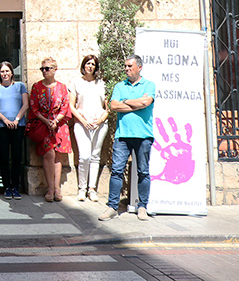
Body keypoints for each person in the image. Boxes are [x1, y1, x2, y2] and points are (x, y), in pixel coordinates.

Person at [100, 54, 156, 221]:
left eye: (130, 66)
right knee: (117, 171)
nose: (126, 69)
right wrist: (136, 104)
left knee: (143, 172)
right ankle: (112, 207)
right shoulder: (119, 86)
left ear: (139, 67)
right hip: (122, 135)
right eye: (125, 66)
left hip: (143, 135)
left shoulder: (149, 85)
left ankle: (143, 207)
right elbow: (114, 105)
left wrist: (127, 101)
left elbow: (146, 103)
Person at [28, 57, 72, 202]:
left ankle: (57, 188)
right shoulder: (37, 86)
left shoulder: (62, 87)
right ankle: (50, 188)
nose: (44, 71)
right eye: (42, 69)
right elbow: (34, 107)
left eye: (47, 68)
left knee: (58, 156)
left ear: (54, 70)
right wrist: (47, 121)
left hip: (58, 124)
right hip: (43, 124)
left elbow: (65, 106)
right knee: (49, 155)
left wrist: (56, 120)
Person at [69, 55, 109, 202]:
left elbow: (108, 106)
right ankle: (82, 188)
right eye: (88, 63)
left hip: (99, 124)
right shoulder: (76, 83)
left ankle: (92, 189)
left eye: (93, 64)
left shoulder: (102, 84)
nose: (90, 66)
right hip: (82, 124)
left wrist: (100, 120)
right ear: (83, 65)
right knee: (84, 156)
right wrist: (83, 121)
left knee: (95, 156)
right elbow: (71, 106)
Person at [0, 61, 28, 200]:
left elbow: (26, 104)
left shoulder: (20, 86)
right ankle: (6, 187)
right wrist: (5, 120)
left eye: (7, 71)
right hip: (1, 126)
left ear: (12, 73)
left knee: (17, 156)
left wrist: (16, 119)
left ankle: (15, 187)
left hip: (18, 125)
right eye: (2, 71)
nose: (5, 74)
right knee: (4, 157)